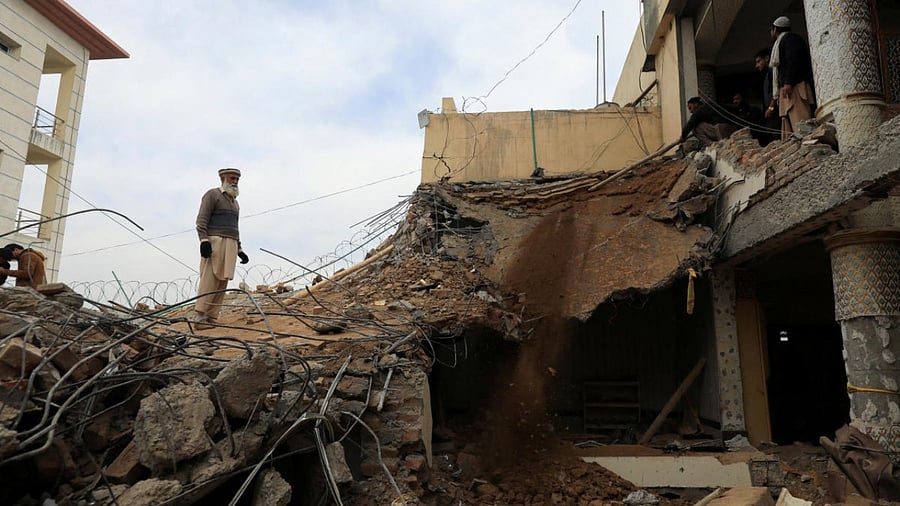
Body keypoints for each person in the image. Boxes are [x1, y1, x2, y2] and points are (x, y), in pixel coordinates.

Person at [193, 167, 249, 329]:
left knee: (222, 280)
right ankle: (199, 317)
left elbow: (235, 228)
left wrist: (239, 250)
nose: (235, 182)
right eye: (232, 178)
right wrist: (204, 241)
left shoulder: (235, 203)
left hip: (231, 244)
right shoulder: (212, 195)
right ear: (223, 178)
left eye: (237, 179)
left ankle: (211, 317)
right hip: (215, 242)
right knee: (210, 278)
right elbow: (201, 221)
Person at [769, 16, 815, 140]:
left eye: (771, 30)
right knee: (792, 125)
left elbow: (792, 61)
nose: (771, 33)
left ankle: (809, 145)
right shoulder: (783, 41)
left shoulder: (790, 39)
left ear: (775, 30)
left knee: (801, 121)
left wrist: (788, 82)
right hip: (788, 89)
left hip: (795, 87)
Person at [755, 48, 781, 145]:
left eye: (758, 61)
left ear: (766, 58)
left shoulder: (772, 72)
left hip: (775, 110)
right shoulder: (767, 75)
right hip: (771, 113)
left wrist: (771, 107)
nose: (757, 66)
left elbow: (776, 90)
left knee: (777, 134)